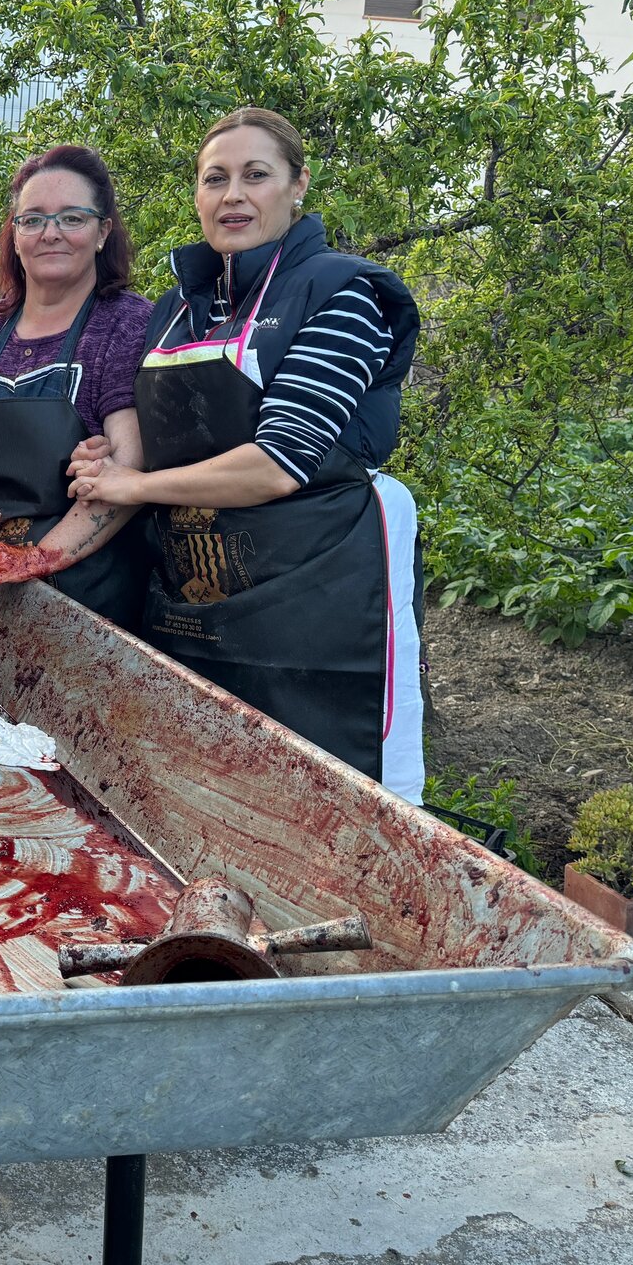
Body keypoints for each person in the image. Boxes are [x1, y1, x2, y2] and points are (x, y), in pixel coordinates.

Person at [69, 107, 425, 800]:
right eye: (215, 179)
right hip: (198, 596)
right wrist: (105, 459)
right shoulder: (179, 305)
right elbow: (158, 437)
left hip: (318, 595)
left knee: (329, 798)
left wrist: (131, 487)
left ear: (298, 186)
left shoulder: (344, 291)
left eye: (256, 175)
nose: (233, 195)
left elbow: (279, 461)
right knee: (200, 793)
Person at [0, 145, 152, 629]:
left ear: (103, 232)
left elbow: (129, 462)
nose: (50, 233)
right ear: (14, 237)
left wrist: (39, 558)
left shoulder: (128, 324)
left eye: (71, 218)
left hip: (93, 605)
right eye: (32, 220)